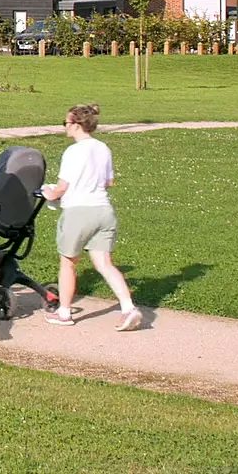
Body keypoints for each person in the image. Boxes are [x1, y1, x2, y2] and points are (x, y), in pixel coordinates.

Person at [41, 103, 142, 331]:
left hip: (79, 211)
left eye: (66, 123)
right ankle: (128, 307)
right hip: (103, 211)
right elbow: (108, 182)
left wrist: (48, 193)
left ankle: (64, 312)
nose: (65, 127)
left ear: (77, 125)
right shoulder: (103, 148)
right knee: (104, 263)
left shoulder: (73, 151)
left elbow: (61, 187)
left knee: (68, 262)